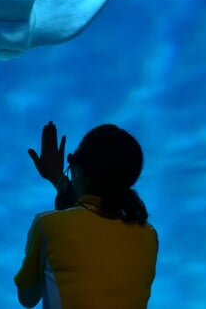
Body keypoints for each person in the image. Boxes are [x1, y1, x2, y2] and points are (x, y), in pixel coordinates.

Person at [14, 121, 158, 308]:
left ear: (77, 169)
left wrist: (61, 183)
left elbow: (27, 298)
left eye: (72, 159)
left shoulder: (47, 226)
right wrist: (61, 181)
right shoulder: (148, 236)